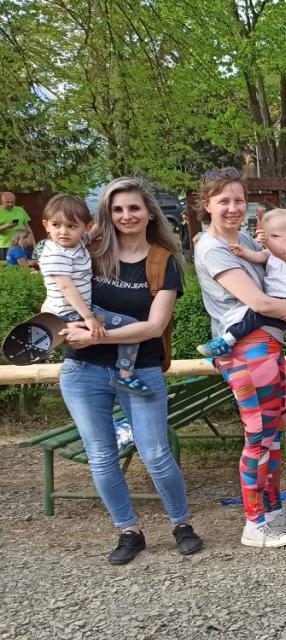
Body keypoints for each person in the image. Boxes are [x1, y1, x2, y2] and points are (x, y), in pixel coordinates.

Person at [56, 177, 202, 565]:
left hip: (141, 369)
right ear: (108, 214)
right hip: (83, 370)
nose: (126, 216)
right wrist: (62, 325)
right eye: (117, 209)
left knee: (155, 453)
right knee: (101, 457)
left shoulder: (163, 261)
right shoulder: (88, 253)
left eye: (134, 208)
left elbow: (154, 327)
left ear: (149, 212)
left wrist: (95, 335)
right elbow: (57, 295)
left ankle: (182, 523)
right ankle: (128, 530)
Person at [193, 168, 286, 549]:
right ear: (207, 204)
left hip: (269, 346)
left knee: (274, 435)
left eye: (238, 200)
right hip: (246, 353)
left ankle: (273, 511)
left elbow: (283, 277)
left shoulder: (245, 240)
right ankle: (254, 522)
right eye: (223, 201)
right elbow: (260, 302)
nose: (233, 208)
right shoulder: (212, 249)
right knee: (259, 436)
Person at [39, 194, 150, 395]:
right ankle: (126, 375)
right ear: (46, 225)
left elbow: (96, 228)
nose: (63, 232)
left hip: (81, 310)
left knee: (131, 327)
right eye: (56, 225)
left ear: (85, 227)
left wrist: (111, 210)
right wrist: (89, 318)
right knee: (131, 327)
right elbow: (66, 287)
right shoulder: (55, 253)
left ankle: (125, 374)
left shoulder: (77, 243)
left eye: (71, 226)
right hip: (71, 314)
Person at [196, 209, 286, 358]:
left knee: (253, 317)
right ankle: (225, 342)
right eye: (268, 236)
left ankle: (226, 341)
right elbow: (259, 256)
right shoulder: (271, 252)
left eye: (275, 236)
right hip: (280, 304)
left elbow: (282, 254)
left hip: (284, 302)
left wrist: (268, 242)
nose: (270, 241)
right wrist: (243, 252)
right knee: (254, 316)